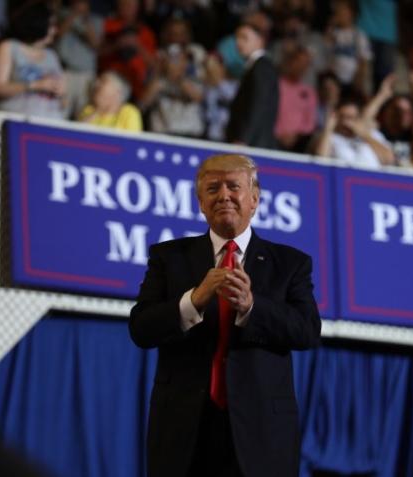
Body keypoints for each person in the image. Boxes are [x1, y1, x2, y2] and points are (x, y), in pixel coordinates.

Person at [129, 153, 321, 477]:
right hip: (183, 429)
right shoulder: (168, 257)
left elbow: (306, 331)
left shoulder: (290, 264)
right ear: (201, 202)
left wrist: (251, 306)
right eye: (213, 188)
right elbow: (141, 328)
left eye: (234, 186)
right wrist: (193, 300)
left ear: (255, 199)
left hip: (261, 432)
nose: (224, 196)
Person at [0, 1, 66, 119]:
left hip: (50, 122)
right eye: (51, 25)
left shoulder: (52, 56)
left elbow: (64, 101)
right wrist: (35, 85)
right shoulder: (9, 47)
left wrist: (61, 93)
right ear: (38, 23)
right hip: (15, 121)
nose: (55, 30)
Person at [225, 20, 279, 149]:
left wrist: (243, 139)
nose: (238, 42)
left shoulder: (262, 67)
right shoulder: (255, 66)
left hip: (252, 145)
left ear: (260, 41)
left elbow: (258, 104)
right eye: (237, 37)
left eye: (244, 38)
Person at [313, 94, 394, 168]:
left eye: (351, 118)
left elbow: (389, 159)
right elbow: (321, 159)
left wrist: (365, 135)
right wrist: (328, 128)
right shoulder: (331, 138)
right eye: (342, 117)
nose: (346, 122)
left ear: (358, 118)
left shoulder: (373, 134)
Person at [78, 70, 142, 131]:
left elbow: (131, 141)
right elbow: (78, 136)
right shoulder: (88, 110)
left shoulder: (129, 112)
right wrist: (96, 112)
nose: (96, 84)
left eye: (103, 81)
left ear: (117, 92)